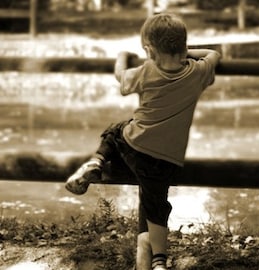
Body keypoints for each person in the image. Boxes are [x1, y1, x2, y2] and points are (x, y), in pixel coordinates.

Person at [65, 13, 221, 270]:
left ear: (149, 51)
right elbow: (214, 54)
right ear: (183, 47)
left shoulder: (147, 71)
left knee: (114, 132)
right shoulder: (198, 73)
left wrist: (122, 56)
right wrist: (185, 52)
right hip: (165, 159)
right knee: (156, 208)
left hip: (133, 145)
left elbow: (120, 75)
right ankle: (159, 262)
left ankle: (96, 161)